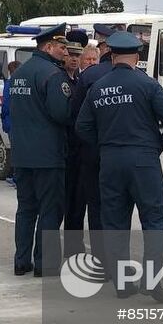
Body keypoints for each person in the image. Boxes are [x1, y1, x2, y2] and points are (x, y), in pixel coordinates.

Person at [76, 32, 163, 302]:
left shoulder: (98, 87)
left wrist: (104, 147)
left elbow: (82, 127)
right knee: (155, 220)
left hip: (110, 162)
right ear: (137, 56)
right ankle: (152, 281)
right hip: (143, 161)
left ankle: (122, 284)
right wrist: (157, 145)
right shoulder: (147, 84)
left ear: (111, 56)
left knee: (114, 222)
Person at [8, 22, 72, 277]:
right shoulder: (52, 75)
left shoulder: (19, 74)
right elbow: (62, 113)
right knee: (49, 210)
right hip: (48, 155)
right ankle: (45, 263)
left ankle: (21, 261)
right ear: (49, 47)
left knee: (25, 209)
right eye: (61, 48)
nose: (65, 53)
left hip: (22, 154)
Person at [66, 24, 116, 269]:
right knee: (84, 204)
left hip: (88, 151)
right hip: (92, 152)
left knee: (93, 204)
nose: (92, 61)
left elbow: (78, 118)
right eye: (89, 58)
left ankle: (99, 256)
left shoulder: (90, 77)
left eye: (95, 57)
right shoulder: (139, 77)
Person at [62, 30, 89, 256]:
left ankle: (74, 247)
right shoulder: (58, 78)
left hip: (79, 151)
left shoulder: (81, 80)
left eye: (77, 55)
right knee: (62, 203)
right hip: (62, 150)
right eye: (69, 53)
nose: (73, 58)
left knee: (77, 202)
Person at [0, 59, 20, 188]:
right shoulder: (26, 82)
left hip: (11, 120)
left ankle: (16, 177)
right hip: (24, 122)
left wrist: (3, 117)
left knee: (15, 150)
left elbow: (6, 104)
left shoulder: (9, 83)